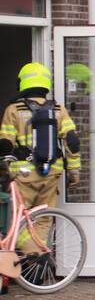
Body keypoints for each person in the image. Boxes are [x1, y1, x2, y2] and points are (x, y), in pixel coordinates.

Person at [0, 64, 81, 267]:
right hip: (52, 173)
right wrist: (74, 171)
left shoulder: (13, 110)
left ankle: (29, 258)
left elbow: (5, 144)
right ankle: (36, 261)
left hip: (24, 174)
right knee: (43, 218)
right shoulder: (57, 109)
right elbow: (72, 141)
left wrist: (5, 167)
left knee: (18, 220)